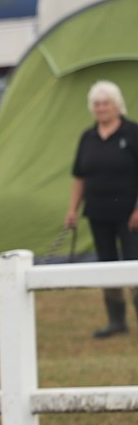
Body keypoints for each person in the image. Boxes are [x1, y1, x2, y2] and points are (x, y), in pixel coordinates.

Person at [65, 80, 138, 338]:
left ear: (116, 104)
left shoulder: (132, 133)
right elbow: (79, 176)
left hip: (131, 216)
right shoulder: (88, 137)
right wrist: (72, 209)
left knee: (134, 265)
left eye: (105, 103)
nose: (101, 108)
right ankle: (116, 321)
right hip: (97, 212)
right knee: (106, 265)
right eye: (96, 104)